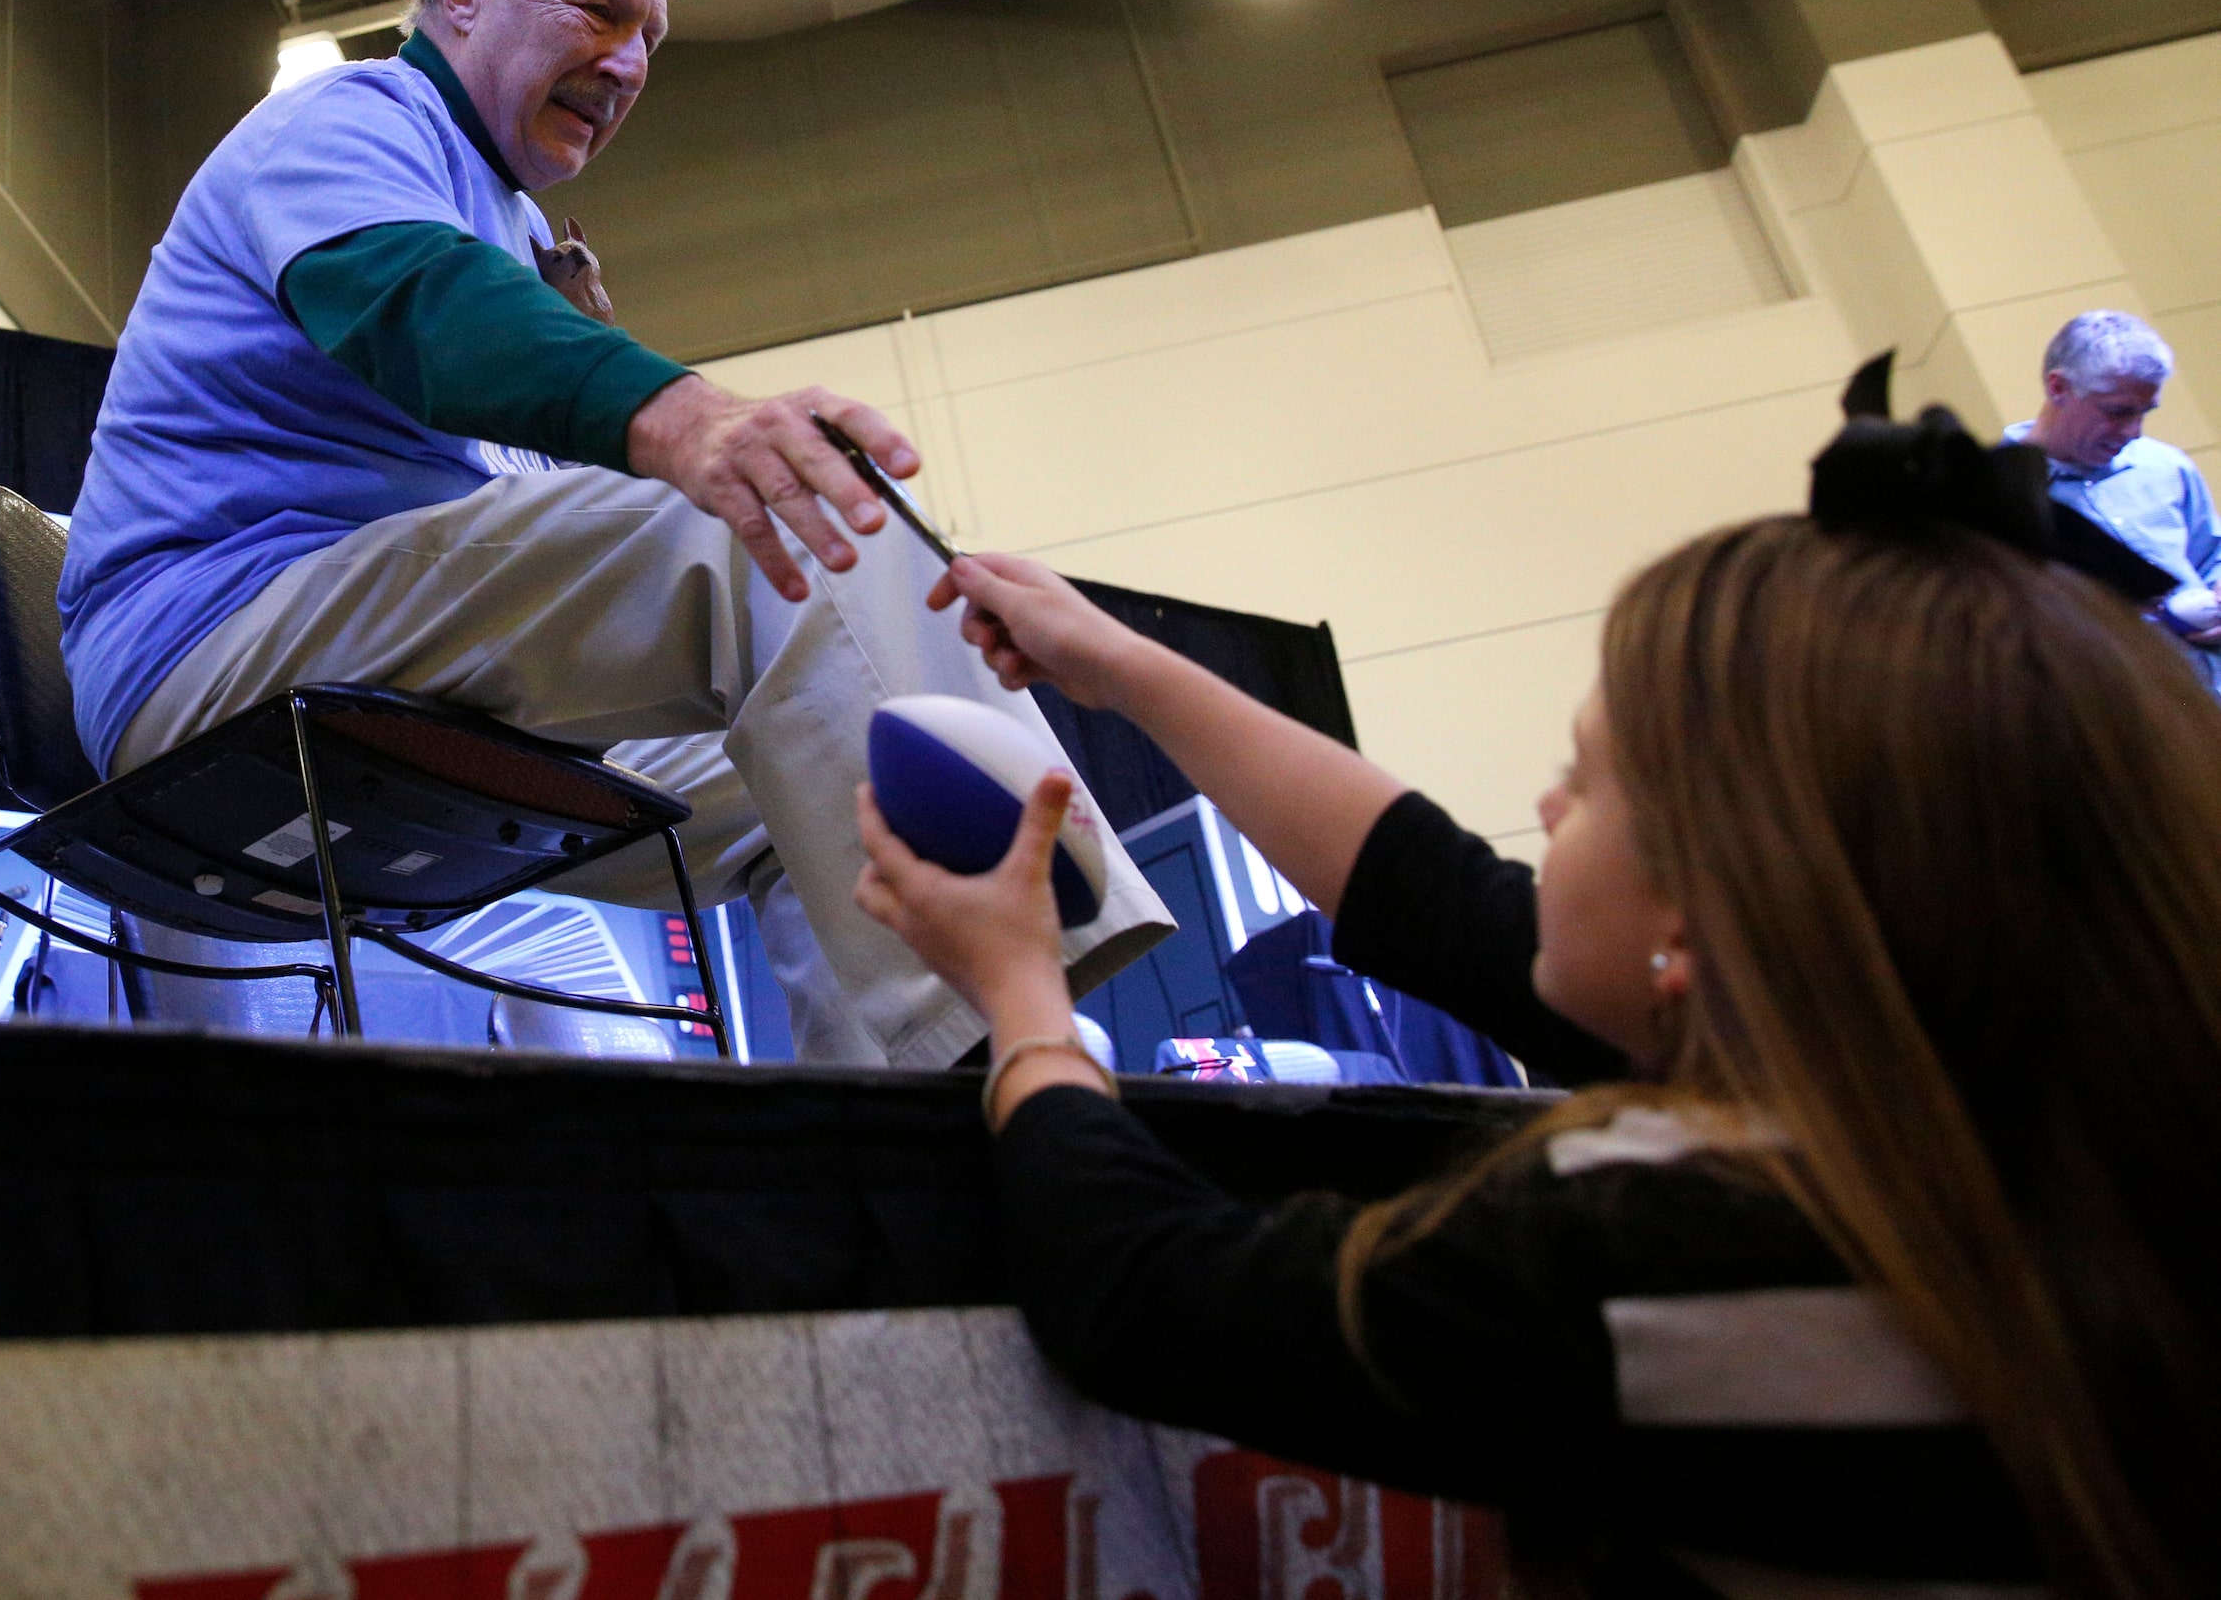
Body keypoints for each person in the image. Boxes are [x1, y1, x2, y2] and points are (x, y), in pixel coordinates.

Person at [851, 411, 2221, 1596]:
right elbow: (1438, 898)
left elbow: (1143, 1298)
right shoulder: (2053, 1150)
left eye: (1590, 779)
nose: (1548, 808)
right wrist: (1122, 666)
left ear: (1716, 900)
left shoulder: (1670, 1239)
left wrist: (1021, 993)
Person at [57, 0, 1168, 1066]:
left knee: (831, 781)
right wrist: (679, 418)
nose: (630, 63)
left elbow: (508, 472)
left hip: (373, 648)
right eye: (599, 10)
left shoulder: (505, 220)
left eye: (651, 40)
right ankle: (1035, 1052)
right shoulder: (352, 118)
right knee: (772, 525)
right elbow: (421, 309)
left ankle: (921, 1148)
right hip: (209, 650)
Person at [2008, 309, 2221, 693]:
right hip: (2122, 723)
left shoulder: (2166, 467)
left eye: (2144, 412)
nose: (2134, 432)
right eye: (2117, 412)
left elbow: (2211, 559)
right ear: (2058, 388)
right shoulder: (1997, 494)